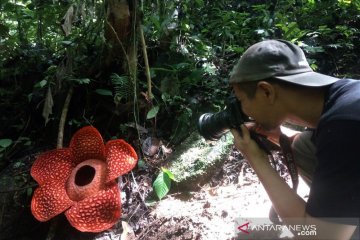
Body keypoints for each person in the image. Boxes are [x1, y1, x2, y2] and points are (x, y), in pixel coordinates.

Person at [229, 39, 360, 239]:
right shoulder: (345, 99)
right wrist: (279, 137)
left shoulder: (345, 128)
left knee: (249, 232)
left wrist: (256, 160)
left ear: (266, 91)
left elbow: (321, 238)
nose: (243, 111)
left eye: (242, 101)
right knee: (302, 145)